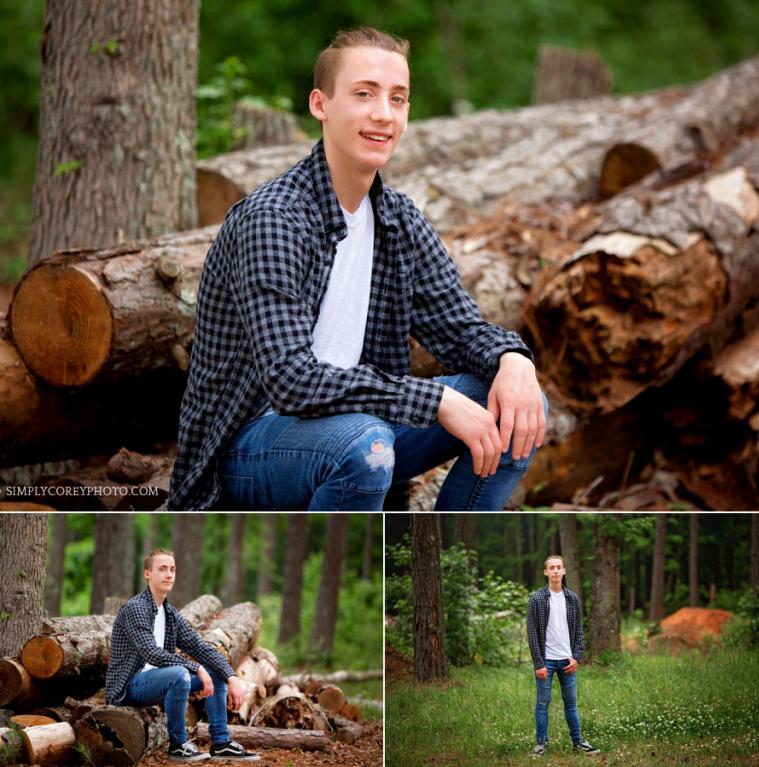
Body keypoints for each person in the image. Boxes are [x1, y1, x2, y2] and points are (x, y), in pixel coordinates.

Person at [169, 26, 547, 511]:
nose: (382, 114)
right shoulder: (274, 219)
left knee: (519, 406)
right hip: (248, 452)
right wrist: (437, 402)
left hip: (358, 424)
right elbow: (291, 380)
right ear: (320, 105)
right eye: (364, 94)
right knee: (362, 444)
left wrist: (513, 361)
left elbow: (461, 329)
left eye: (397, 98)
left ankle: (443, 552)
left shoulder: (398, 220)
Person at [105, 549, 260, 762]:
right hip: (128, 687)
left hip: (158, 682)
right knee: (179, 674)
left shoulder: (170, 614)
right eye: (162, 569)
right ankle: (178, 745)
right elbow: (153, 654)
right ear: (147, 574)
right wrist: (196, 668)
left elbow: (199, 646)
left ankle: (221, 742)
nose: (169, 574)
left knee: (215, 671)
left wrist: (230, 675)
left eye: (172, 569)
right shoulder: (135, 609)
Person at [527, 555, 600, 756]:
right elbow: (532, 634)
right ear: (546, 572)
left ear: (564, 571)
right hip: (546, 661)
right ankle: (541, 744)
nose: (556, 571)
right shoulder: (537, 599)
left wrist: (576, 657)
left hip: (568, 660)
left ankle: (578, 742)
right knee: (542, 703)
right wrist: (538, 663)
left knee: (571, 703)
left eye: (559, 567)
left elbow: (578, 630)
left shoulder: (572, 598)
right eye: (552, 567)